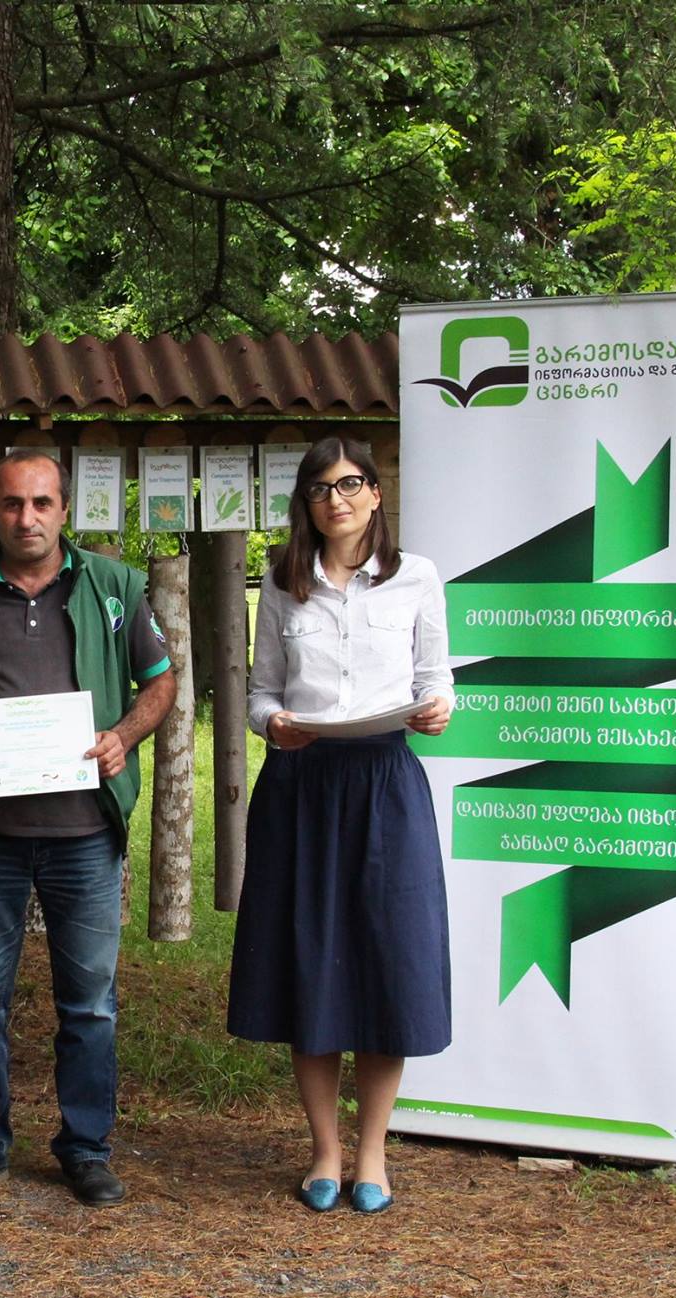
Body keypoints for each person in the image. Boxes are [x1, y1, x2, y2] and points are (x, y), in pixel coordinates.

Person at [0, 450, 176, 1208]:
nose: (27, 518)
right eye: (12, 504)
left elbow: (160, 681)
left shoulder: (114, 586)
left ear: (64, 509)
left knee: (89, 1003)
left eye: (42, 503)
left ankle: (86, 1149)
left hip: (84, 833)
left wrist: (123, 736)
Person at [228, 434, 454, 1215]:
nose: (337, 499)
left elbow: (436, 678)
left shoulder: (417, 576)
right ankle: (324, 1149)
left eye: (351, 483)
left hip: (386, 784)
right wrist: (274, 723)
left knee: (388, 963)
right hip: (303, 785)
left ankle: (372, 1153)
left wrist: (438, 709)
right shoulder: (282, 582)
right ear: (307, 502)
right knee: (311, 964)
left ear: (376, 493)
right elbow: (260, 693)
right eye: (321, 488)